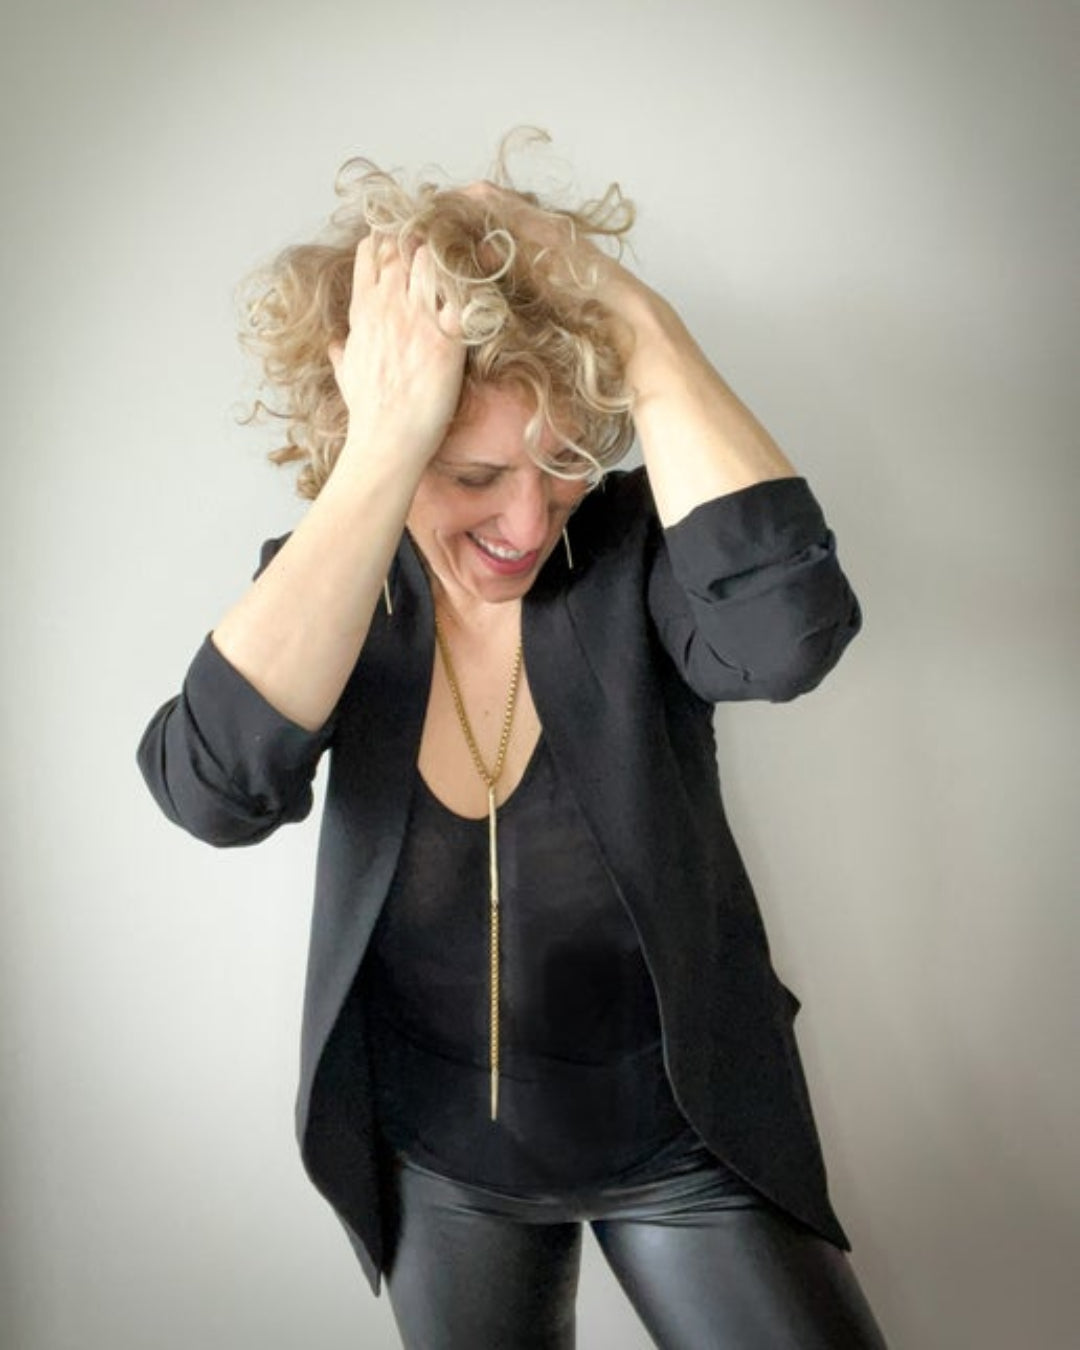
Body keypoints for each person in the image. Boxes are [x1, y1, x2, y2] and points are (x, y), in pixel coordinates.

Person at [138, 135, 888, 1349]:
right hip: (443, 1165)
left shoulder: (640, 557)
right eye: (475, 471)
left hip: (685, 1139)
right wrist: (383, 445)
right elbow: (212, 789)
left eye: (569, 460)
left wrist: (632, 318)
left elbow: (788, 636)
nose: (529, 519)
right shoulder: (334, 597)